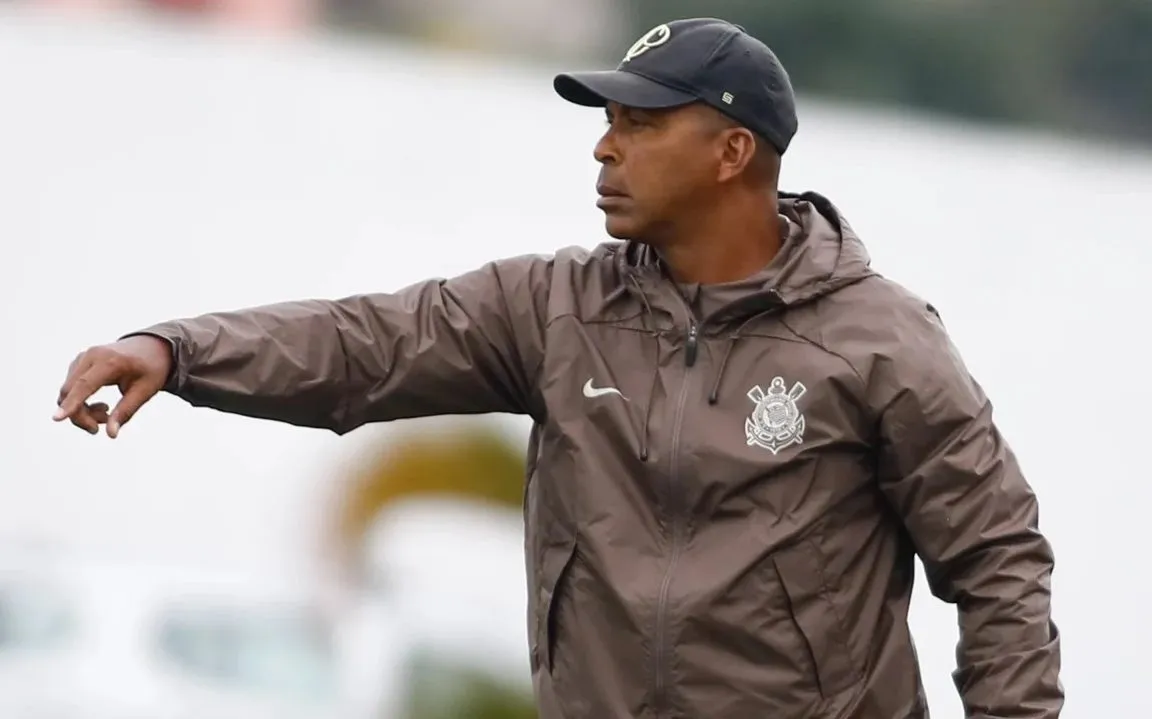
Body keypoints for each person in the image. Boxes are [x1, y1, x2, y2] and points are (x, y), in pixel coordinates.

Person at [53, 17, 1062, 719]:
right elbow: (367, 343)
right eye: (606, 121)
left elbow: (998, 559)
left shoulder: (881, 341)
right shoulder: (558, 310)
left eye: (639, 124)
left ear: (731, 151)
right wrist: (178, 350)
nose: (603, 149)